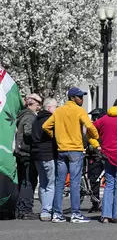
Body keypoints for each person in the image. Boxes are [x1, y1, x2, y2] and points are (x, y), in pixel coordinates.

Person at [42, 87, 100, 223]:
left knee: (59, 182)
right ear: (73, 98)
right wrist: (96, 137)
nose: (82, 99)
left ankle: (57, 213)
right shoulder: (79, 111)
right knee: (74, 182)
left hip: (61, 149)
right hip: (75, 149)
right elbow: (90, 126)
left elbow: (45, 126)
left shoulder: (59, 111)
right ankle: (75, 213)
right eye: (80, 97)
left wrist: (56, 137)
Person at [14, 93, 42, 220]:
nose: (39, 106)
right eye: (38, 103)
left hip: (20, 152)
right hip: (27, 152)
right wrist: (38, 137)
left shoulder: (21, 115)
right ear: (33, 103)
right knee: (29, 181)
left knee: (23, 181)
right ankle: (25, 210)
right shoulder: (29, 116)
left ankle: (20, 209)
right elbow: (28, 132)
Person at [31, 98, 58, 222]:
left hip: (36, 154)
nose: (56, 109)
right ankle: (47, 211)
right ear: (49, 108)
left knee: (43, 183)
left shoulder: (36, 119)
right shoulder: (50, 120)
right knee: (51, 184)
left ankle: (45, 208)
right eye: (55, 107)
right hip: (48, 154)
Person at [86, 108, 106, 213]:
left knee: (95, 180)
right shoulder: (93, 127)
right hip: (96, 156)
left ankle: (96, 204)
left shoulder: (96, 126)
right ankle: (96, 203)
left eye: (95, 117)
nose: (94, 119)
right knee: (94, 180)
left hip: (96, 155)